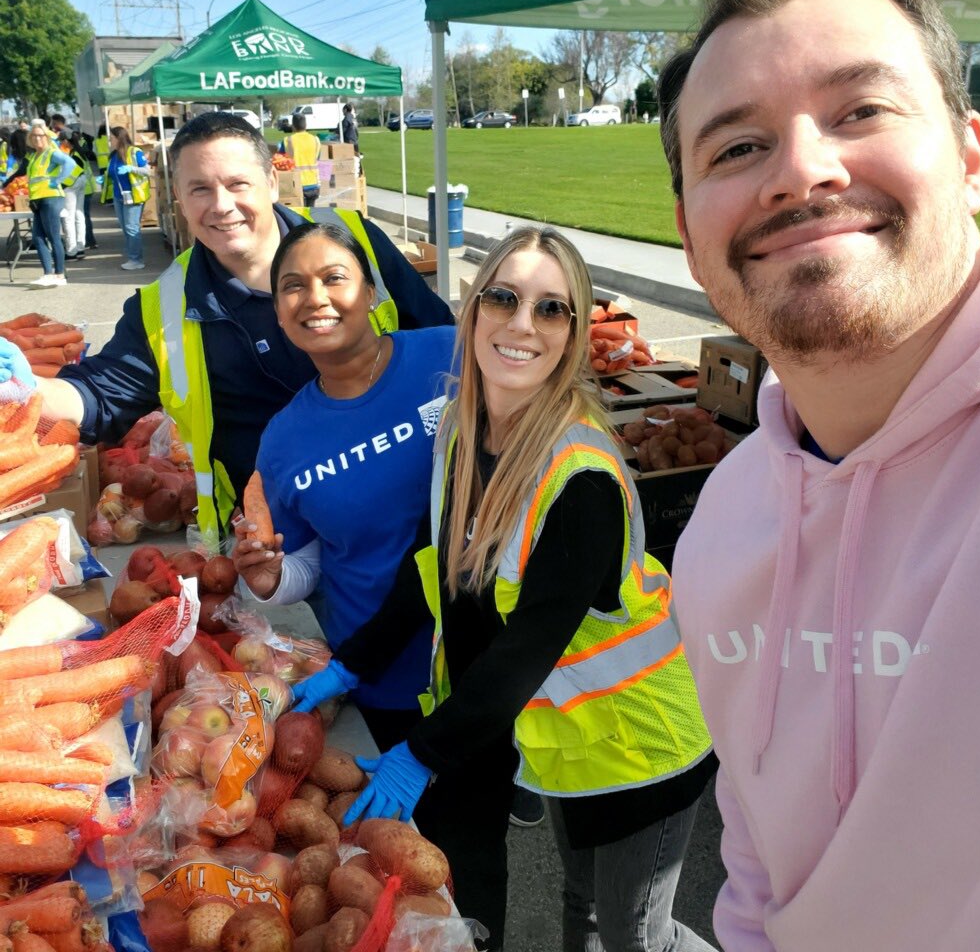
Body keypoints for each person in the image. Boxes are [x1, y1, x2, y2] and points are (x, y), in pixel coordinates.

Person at [656, 0, 980, 949]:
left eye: (859, 110)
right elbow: (760, 853)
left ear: (968, 154)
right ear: (688, 232)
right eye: (737, 146)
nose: (801, 171)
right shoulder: (720, 531)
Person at [292, 227, 716, 952]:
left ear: (575, 333)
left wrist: (420, 751)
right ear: (474, 308)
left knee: (636, 936)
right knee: (582, 910)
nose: (522, 324)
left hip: (643, 746)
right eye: (505, 298)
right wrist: (351, 660)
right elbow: (432, 562)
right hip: (573, 742)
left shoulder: (579, 479)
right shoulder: (465, 432)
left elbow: (527, 648)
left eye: (551, 310)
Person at [14, 111, 452, 552]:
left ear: (271, 183)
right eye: (199, 189)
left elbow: (440, 337)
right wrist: (21, 386)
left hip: (411, 494)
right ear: (180, 202)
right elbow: (100, 395)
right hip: (287, 538)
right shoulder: (164, 306)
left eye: (237, 184)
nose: (221, 205)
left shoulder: (352, 238)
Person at [232, 219, 454, 752]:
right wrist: (270, 578)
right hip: (376, 669)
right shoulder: (283, 439)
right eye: (292, 286)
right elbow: (308, 564)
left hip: (482, 651)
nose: (315, 298)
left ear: (371, 293)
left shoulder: (450, 354)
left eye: (334, 277)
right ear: (280, 313)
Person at [2, 121, 77, 288]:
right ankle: (48, 274)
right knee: (37, 237)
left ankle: (59, 274)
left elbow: (70, 164)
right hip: (37, 200)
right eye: (34, 135)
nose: (37, 138)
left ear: (46, 137)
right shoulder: (34, 156)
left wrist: (58, 180)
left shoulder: (51, 153)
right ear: (30, 138)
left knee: (53, 236)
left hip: (51, 197)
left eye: (41, 135)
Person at [102, 125, 152, 271]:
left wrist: (131, 169)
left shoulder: (134, 152)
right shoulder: (114, 155)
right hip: (119, 196)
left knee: (131, 228)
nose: (109, 141)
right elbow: (112, 173)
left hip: (134, 196)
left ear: (119, 138)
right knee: (126, 228)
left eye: (111, 138)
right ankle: (133, 256)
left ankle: (136, 260)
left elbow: (147, 171)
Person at [58, 130, 88, 261]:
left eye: (61, 141)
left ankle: (71, 251)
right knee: (78, 215)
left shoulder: (72, 155)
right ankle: (80, 247)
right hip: (81, 183)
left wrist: (60, 186)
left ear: (65, 141)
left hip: (71, 186)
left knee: (68, 218)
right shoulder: (78, 151)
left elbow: (70, 174)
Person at [282, 113, 321, 208]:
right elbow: (318, 159)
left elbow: (280, 162)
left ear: (293, 126)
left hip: (296, 185)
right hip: (314, 184)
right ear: (306, 125)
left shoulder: (288, 141)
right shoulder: (315, 140)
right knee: (311, 214)